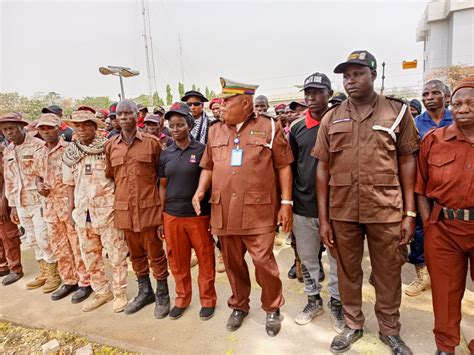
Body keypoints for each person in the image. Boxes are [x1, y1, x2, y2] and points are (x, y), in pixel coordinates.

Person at [314, 50, 419, 354]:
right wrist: (324, 219)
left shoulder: (397, 112)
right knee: (348, 271)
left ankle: (390, 330)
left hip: (386, 208)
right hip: (343, 209)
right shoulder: (332, 117)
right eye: (346, 75)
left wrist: (409, 212)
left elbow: (407, 160)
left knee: (388, 272)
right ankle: (353, 324)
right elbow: (321, 168)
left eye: (358, 73)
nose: (351, 80)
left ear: (373, 75)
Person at [192, 78, 294, 337]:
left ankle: (272, 307)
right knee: (233, 263)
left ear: (246, 103)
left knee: (263, 261)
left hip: (257, 210)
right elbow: (209, 166)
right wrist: (200, 190)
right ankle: (239, 305)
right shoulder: (215, 130)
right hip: (224, 210)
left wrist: (286, 203)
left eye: (227, 101)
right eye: (222, 101)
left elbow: (283, 165)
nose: (221, 106)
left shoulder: (269, 126)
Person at [415, 75, 474, 355]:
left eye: (471, 102)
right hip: (444, 230)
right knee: (445, 293)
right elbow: (421, 187)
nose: (463, 108)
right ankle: (445, 346)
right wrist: (429, 226)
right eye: (458, 102)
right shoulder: (434, 140)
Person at [105, 100, 170, 318]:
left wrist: (162, 214)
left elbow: (162, 179)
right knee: (136, 256)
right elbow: (111, 177)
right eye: (119, 114)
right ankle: (145, 292)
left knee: (156, 254)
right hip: (125, 212)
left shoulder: (152, 143)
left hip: (149, 209)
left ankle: (162, 293)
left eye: (127, 113)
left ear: (137, 116)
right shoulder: (111, 146)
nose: (123, 117)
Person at [290, 72, 343, 331]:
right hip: (304, 206)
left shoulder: (341, 123)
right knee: (309, 258)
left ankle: (337, 302)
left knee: (337, 260)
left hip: (338, 207)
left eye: (317, 92)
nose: (311, 97)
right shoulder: (297, 128)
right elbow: (290, 167)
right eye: (307, 92)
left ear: (329, 95)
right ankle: (313, 299)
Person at [62, 110, 129, 313]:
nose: (81, 129)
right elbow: (69, 184)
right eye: (78, 125)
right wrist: (71, 209)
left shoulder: (108, 148)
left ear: (94, 126)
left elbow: (119, 179)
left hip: (108, 210)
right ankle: (101, 291)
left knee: (116, 254)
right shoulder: (70, 153)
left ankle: (120, 293)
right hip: (83, 213)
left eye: (86, 125)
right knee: (90, 256)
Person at [158, 102, 217, 320]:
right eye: (172, 125)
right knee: (177, 261)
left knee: (205, 259)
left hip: (198, 216)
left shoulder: (202, 151)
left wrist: (211, 215)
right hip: (172, 216)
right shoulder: (165, 155)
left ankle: (208, 300)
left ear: (189, 125)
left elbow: (210, 181)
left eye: (180, 124)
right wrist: (161, 217)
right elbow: (162, 186)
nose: (175, 129)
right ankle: (182, 299)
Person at [33, 113, 92, 303]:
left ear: (59, 128)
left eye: (49, 128)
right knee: (60, 247)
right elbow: (37, 175)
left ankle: (85, 282)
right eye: (42, 129)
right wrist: (38, 185)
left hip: (70, 206)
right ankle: (69, 280)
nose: (45, 132)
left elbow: (80, 179)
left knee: (78, 246)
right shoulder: (39, 152)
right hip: (50, 208)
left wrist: (74, 207)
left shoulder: (71, 150)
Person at [405, 80, 453, 298]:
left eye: (435, 93)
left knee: (452, 230)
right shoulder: (415, 123)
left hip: (452, 186)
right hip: (423, 186)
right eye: (425, 94)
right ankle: (423, 275)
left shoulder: (457, 119)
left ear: (447, 96)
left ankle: (448, 275)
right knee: (421, 230)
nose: (429, 97)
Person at [0, 113, 58, 292]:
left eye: (12, 128)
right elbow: (9, 180)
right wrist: (12, 206)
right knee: (32, 239)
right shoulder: (8, 150)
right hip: (21, 202)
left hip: (39, 201)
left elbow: (46, 174)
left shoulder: (38, 146)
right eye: (5, 130)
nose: (9, 132)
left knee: (44, 238)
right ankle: (44, 272)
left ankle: (54, 274)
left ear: (21, 127)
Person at [0, 143, 23, 286]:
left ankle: (15, 268)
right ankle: (3, 265)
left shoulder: (2, 153)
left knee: (9, 236)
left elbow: (7, 180)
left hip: (2, 200)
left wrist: (3, 203)